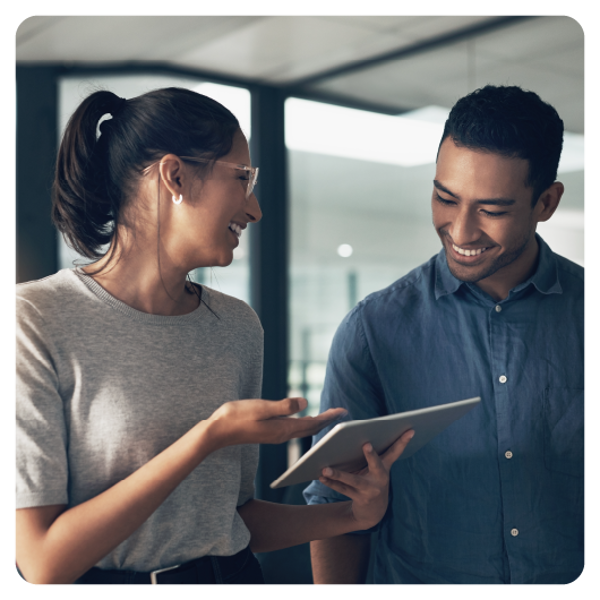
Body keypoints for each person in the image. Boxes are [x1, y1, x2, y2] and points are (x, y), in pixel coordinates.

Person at [12, 87, 415, 588]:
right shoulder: (36, 317)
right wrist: (208, 437)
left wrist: (355, 515)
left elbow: (230, 519)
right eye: (242, 178)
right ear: (175, 176)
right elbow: (42, 563)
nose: (256, 208)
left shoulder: (238, 327)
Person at [305, 85, 586, 587]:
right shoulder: (374, 330)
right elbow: (335, 508)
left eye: (492, 210)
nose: (460, 230)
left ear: (546, 201)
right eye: (444, 197)